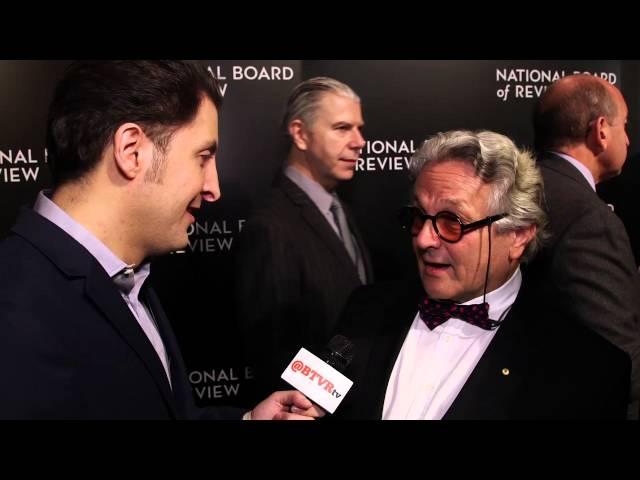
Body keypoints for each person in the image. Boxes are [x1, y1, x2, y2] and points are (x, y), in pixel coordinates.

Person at [0, 61, 319, 420]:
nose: (213, 189)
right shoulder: (15, 309)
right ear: (132, 151)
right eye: (203, 157)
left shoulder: (129, 279)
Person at [331, 130, 630, 420]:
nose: (423, 239)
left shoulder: (586, 370)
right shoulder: (365, 310)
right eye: (419, 216)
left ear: (518, 235)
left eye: (452, 222)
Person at [234, 77, 373, 402]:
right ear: (299, 133)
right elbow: (273, 354)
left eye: (359, 128)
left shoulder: (340, 209)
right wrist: (334, 400)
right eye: (342, 128)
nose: (359, 141)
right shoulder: (271, 226)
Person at [528, 73, 640, 415]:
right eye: (625, 126)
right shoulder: (589, 220)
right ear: (601, 130)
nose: (630, 140)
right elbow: (614, 360)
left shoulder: (523, 188)